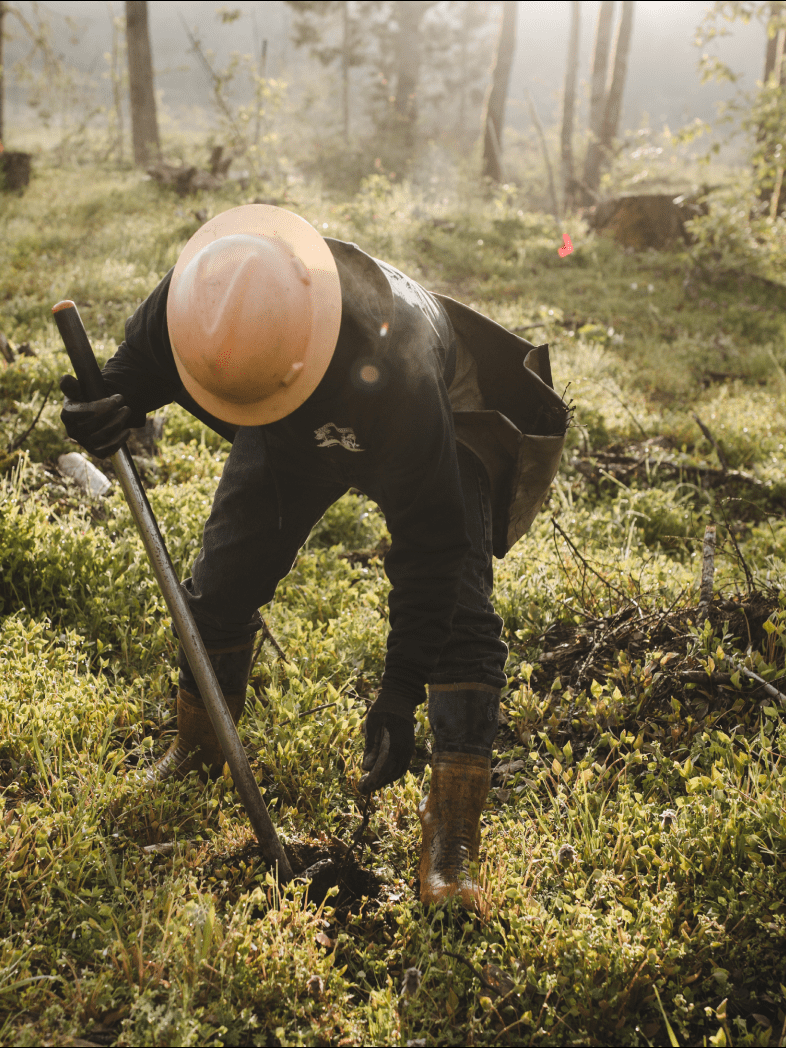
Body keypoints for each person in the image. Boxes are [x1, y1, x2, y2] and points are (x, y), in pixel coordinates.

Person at [61, 205, 567, 911]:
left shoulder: (403, 365)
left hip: (434, 419)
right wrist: (101, 411)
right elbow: (122, 383)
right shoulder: (195, 303)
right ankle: (200, 750)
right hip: (287, 424)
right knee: (223, 580)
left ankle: (453, 833)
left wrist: (398, 693)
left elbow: (433, 547)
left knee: (462, 616)